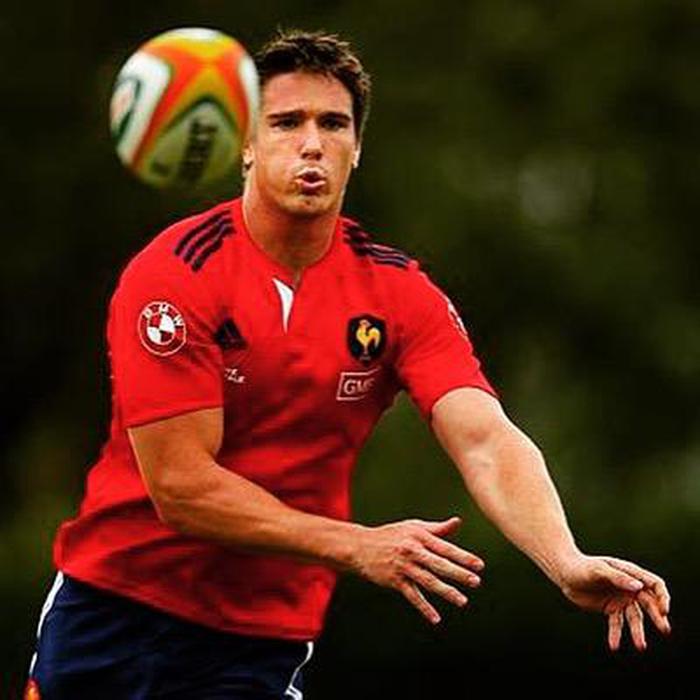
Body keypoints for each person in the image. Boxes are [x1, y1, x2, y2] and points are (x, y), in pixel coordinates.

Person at [26, 29, 671, 699]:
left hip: (256, 641)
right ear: (245, 145)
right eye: (286, 122)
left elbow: (485, 438)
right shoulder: (173, 275)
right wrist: (356, 544)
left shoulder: (398, 293)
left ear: (357, 147)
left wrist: (564, 559)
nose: (312, 143)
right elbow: (182, 487)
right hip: (113, 612)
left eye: (333, 124)